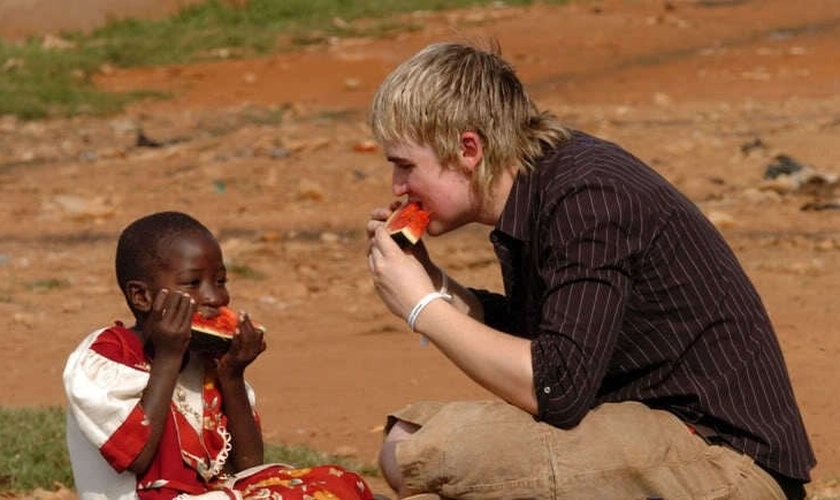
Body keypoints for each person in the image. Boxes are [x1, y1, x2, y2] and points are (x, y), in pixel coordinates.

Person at [365, 41, 816, 500]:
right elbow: (551, 339)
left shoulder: (588, 197)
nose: (398, 187)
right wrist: (437, 285)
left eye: (405, 166)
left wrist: (423, 307)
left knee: (419, 451)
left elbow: (555, 389)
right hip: (649, 429)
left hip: (724, 460)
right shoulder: (543, 185)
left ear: (468, 149)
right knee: (409, 433)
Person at [64, 211, 375, 500]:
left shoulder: (206, 360)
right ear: (142, 296)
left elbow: (249, 465)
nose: (215, 297)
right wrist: (168, 357)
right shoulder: (104, 358)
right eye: (193, 283)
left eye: (221, 281)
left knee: (340, 482)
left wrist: (232, 375)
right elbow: (137, 456)